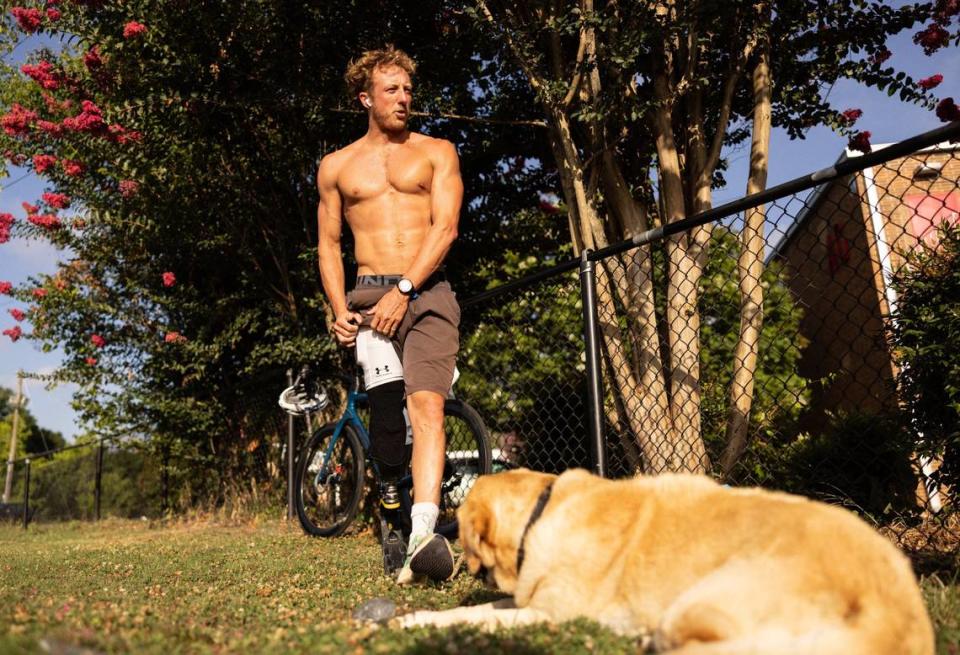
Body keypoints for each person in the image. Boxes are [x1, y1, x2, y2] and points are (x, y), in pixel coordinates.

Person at [316, 46, 463, 584]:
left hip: (426, 293)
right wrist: (338, 309)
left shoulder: (436, 152)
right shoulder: (336, 167)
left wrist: (405, 288)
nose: (404, 99)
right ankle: (394, 514)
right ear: (365, 98)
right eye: (392, 90)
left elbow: (445, 228)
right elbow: (328, 247)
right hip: (366, 298)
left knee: (427, 406)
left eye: (408, 90)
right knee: (385, 421)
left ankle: (424, 536)